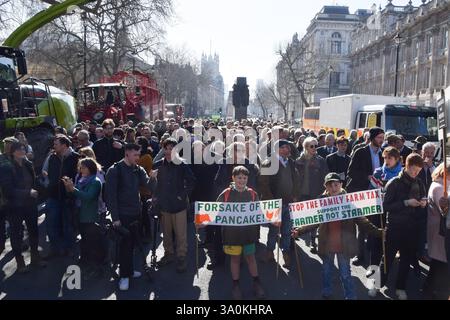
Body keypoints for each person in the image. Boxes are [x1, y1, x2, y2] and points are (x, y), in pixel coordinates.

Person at [292, 173, 382, 300]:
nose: (333, 188)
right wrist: (299, 231)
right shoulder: (322, 202)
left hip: (343, 244)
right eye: (330, 185)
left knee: (345, 273)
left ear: (341, 185)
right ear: (326, 187)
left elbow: (362, 220)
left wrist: (378, 232)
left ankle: (350, 296)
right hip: (327, 243)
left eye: (336, 184)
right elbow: (314, 221)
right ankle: (327, 291)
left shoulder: (349, 202)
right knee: (326, 271)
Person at [105, 143, 157, 291]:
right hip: (122, 215)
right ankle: (124, 276)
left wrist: (153, 178)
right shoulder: (115, 170)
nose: (138, 157)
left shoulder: (138, 169)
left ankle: (128, 270)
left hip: (136, 213)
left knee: (133, 245)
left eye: (138, 154)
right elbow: (111, 197)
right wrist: (115, 218)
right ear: (127, 153)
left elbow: (149, 186)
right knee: (124, 247)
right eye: (135, 155)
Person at [379, 153, 427, 300]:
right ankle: (375, 284)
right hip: (394, 227)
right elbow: (386, 206)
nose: (415, 173)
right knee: (387, 259)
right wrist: (406, 203)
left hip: (411, 228)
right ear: (407, 165)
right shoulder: (394, 183)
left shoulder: (419, 183)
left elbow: (423, 197)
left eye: (418, 171)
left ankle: (400, 287)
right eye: (413, 170)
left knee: (406, 260)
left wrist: (423, 202)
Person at [213, 166, 265, 300]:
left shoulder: (253, 194)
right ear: (233, 178)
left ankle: (256, 282)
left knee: (250, 258)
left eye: (244, 178)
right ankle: (236, 285)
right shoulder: (226, 193)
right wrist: (202, 221)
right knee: (235, 259)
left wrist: (274, 220)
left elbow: (260, 213)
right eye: (239, 177)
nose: (242, 180)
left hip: (249, 234)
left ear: (248, 179)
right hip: (232, 235)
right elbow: (214, 212)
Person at [153, 138, 196, 273]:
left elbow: (192, 181)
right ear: (163, 149)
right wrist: (152, 179)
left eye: (171, 148)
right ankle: (168, 254)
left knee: (181, 233)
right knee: (166, 232)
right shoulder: (158, 164)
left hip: (179, 205)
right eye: (166, 148)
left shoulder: (182, 164)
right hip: (164, 205)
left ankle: (182, 256)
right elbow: (153, 186)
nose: (168, 151)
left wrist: (182, 195)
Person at [3, 142, 46, 272]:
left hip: (30, 204)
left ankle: (35, 258)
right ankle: (20, 262)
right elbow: (8, 190)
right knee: (16, 234)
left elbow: (33, 182)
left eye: (23, 148)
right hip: (14, 207)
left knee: (34, 231)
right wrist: (27, 192)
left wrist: (44, 185)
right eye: (19, 149)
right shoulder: (7, 167)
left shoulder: (28, 164)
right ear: (12, 152)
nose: (22, 150)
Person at [346, 127, 384, 266]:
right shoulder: (360, 151)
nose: (381, 140)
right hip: (361, 192)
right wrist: (367, 177)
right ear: (373, 137)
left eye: (382, 138)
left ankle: (374, 254)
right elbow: (351, 172)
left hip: (377, 195)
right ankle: (359, 255)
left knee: (374, 224)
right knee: (362, 226)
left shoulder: (383, 154)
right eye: (379, 137)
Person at [259, 139, 300, 267]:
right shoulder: (268, 163)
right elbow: (263, 185)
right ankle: (269, 252)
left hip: (288, 203)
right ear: (278, 149)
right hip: (275, 203)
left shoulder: (291, 163)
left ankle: (285, 252)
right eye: (285, 147)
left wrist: (295, 195)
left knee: (287, 230)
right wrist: (271, 201)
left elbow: (297, 180)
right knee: (273, 230)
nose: (288, 150)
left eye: (289, 147)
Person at [63, 157, 103, 279]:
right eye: (80, 167)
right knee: (85, 241)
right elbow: (74, 195)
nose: (81, 169)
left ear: (90, 168)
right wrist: (68, 187)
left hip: (90, 217)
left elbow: (87, 197)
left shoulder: (95, 181)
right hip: (81, 215)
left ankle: (96, 268)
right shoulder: (81, 179)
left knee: (93, 244)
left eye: (84, 167)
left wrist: (73, 189)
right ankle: (86, 261)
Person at [46, 134, 80, 258]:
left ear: (64, 145)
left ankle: (69, 248)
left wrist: (71, 191)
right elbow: (50, 175)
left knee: (68, 225)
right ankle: (55, 249)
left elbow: (79, 176)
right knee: (51, 224)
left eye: (56, 144)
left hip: (68, 197)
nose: (54, 146)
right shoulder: (52, 158)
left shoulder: (76, 157)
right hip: (53, 196)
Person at [296, 136, 328, 254]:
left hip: (315, 193)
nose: (315, 148)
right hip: (301, 194)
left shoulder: (321, 161)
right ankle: (296, 235)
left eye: (316, 146)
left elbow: (326, 178)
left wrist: (324, 193)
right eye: (312, 146)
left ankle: (313, 242)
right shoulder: (298, 161)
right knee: (301, 218)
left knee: (314, 219)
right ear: (305, 147)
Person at [422, 163, 450, 299]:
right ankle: (433, 291)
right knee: (440, 264)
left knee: (437, 264)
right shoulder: (439, 188)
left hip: (438, 229)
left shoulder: (439, 185)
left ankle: (429, 289)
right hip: (439, 231)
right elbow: (444, 211)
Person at [136, 136, 153, 242]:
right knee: (139, 214)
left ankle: (147, 234)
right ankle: (139, 234)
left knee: (145, 214)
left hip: (144, 189)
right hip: (136, 189)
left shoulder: (146, 157)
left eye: (136, 143)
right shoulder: (138, 155)